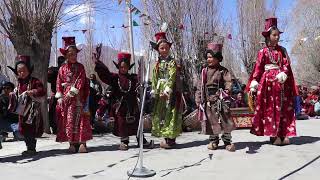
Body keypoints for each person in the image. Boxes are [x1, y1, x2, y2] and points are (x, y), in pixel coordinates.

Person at [246, 17, 298, 145]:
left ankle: (284, 133)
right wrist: (254, 82)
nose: (277, 37)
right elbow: (258, 68)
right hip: (267, 85)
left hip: (282, 84)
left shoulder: (283, 51)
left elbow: (286, 64)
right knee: (270, 110)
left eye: (278, 35)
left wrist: (284, 73)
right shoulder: (262, 52)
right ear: (268, 36)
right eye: (274, 35)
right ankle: (273, 135)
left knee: (283, 108)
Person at [95, 52, 153, 150]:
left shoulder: (133, 78)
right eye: (121, 67)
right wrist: (98, 64)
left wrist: (141, 67)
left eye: (125, 67)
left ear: (128, 67)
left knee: (136, 123)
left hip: (132, 105)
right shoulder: (114, 78)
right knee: (122, 124)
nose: (123, 69)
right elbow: (105, 75)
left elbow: (140, 78)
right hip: (120, 106)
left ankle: (141, 141)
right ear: (118, 67)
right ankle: (124, 141)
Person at [195, 42, 235, 151]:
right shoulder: (204, 71)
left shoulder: (223, 71)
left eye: (211, 57)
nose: (209, 59)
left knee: (225, 121)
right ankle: (213, 141)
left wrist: (226, 91)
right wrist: (198, 98)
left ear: (218, 58)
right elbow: (200, 86)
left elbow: (228, 82)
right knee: (211, 121)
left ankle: (227, 141)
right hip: (208, 101)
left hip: (221, 100)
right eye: (207, 57)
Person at [55, 36, 92, 153]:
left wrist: (71, 93)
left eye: (75, 54)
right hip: (67, 101)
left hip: (79, 98)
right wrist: (60, 96)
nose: (73, 56)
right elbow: (58, 83)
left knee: (81, 120)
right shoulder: (62, 69)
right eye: (70, 54)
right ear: (66, 55)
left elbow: (81, 82)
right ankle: (72, 143)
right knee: (69, 120)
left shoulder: (81, 67)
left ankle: (82, 143)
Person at [7, 55, 46, 156]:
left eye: (24, 70)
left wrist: (33, 91)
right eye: (19, 71)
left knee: (31, 129)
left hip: (32, 111)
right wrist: (13, 94)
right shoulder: (19, 83)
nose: (22, 73)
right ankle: (29, 147)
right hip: (22, 111)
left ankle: (31, 148)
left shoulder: (34, 81)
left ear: (29, 70)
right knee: (24, 130)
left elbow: (42, 91)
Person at [150, 32, 183, 149]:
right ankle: (165, 137)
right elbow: (154, 77)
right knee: (161, 113)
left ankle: (171, 138)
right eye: (161, 48)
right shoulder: (157, 64)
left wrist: (167, 89)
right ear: (158, 50)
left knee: (171, 112)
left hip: (171, 90)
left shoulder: (172, 62)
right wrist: (154, 89)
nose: (164, 50)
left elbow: (172, 76)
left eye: (166, 48)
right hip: (160, 90)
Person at [48, 56, 66, 134]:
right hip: (56, 94)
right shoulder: (55, 70)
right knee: (54, 111)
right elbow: (48, 79)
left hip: (65, 94)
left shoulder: (67, 70)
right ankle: (55, 127)